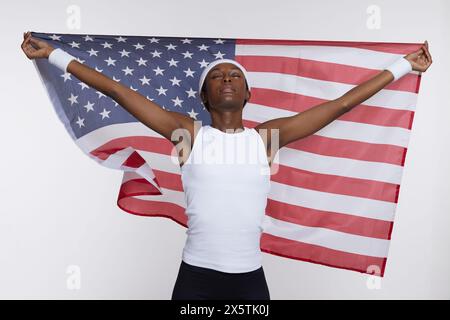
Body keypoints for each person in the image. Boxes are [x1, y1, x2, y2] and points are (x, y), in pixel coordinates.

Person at [21, 31, 432, 300]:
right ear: (204, 96)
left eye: (233, 74)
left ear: (249, 92)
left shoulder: (266, 138)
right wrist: (54, 54)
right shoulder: (188, 135)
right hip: (196, 279)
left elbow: (340, 104)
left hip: (249, 282)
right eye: (216, 76)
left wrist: (404, 66)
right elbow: (115, 89)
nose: (226, 78)